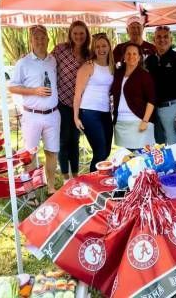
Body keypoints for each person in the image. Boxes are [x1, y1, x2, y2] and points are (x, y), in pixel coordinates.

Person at [9, 25, 59, 195]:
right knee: (30, 154)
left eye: (43, 37)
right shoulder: (23, 63)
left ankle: (51, 187)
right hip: (32, 115)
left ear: (48, 40)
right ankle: (30, 191)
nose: (40, 41)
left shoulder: (53, 60)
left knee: (52, 152)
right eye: (36, 38)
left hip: (53, 114)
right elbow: (12, 87)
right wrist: (34, 91)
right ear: (30, 41)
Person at [51, 21, 91, 183]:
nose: (78, 36)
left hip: (79, 103)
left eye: (82, 33)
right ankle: (65, 176)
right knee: (63, 139)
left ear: (86, 35)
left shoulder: (89, 55)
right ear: (70, 34)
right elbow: (47, 65)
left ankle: (75, 175)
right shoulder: (60, 49)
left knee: (74, 139)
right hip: (61, 101)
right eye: (75, 33)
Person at [146, 26, 176, 144]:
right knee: (157, 146)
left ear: (171, 39)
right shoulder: (149, 60)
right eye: (159, 37)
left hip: (172, 108)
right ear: (154, 40)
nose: (162, 40)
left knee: (175, 145)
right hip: (153, 110)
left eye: (165, 37)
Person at [73, 33, 114, 172]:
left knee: (107, 150)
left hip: (105, 112)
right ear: (93, 49)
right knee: (100, 152)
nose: (101, 49)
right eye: (97, 46)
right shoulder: (88, 66)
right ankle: (94, 182)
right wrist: (76, 117)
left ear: (109, 46)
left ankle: (98, 178)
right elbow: (77, 94)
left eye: (104, 46)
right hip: (89, 112)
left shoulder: (112, 66)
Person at [110, 43, 156, 150]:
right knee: (126, 159)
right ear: (124, 56)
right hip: (120, 123)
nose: (131, 56)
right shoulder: (118, 73)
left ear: (139, 57)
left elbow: (151, 100)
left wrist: (145, 121)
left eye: (135, 54)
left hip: (139, 122)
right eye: (128, 53)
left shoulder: (144, 75)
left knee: (140, 157)